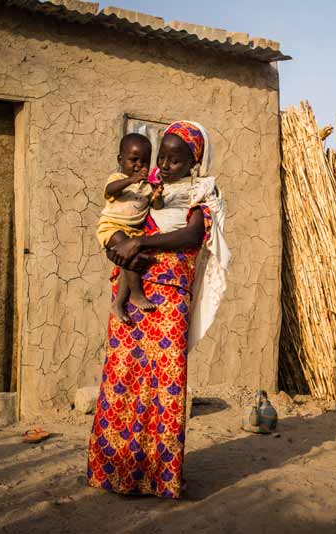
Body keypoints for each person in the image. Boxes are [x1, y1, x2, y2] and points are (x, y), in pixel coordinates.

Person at [87, 120, 230, 499]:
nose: (165, 166)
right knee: (123, 379)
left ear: (192, 162)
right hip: (133, 293)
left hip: (169, 300)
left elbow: (192, 235)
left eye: (175, 160)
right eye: (161, 158)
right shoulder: (146, 188)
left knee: (163, 386)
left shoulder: (201, 195)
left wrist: (141, 243)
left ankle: (158, 477)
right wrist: (120, 248)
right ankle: (115, 473)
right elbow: (115, 226)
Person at [96, 133, 164, 324]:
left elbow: (156, 207)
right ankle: (136, 293)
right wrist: (131, 179)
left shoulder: (147, 187)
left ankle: (119, 302)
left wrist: (157, 196)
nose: (139, 166)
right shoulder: (118, 177)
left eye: (144, 161)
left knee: (128, 262)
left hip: (133, 233)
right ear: (120, 160)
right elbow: (110, 190)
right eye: (133, 160)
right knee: (129, 253)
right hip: (112, 228)